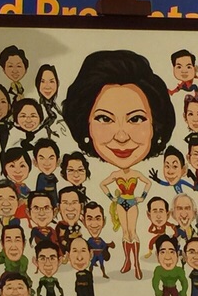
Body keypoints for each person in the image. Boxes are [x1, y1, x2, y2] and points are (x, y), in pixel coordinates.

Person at [61, 49, 175, 278]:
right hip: (121, 204)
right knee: (126, 234)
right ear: (86, 122)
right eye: (105, 118)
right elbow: (104, 184)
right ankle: (127, 262)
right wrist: (114, 199)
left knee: (132, 232)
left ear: (155, 124)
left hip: (131, 203)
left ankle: (136, 264)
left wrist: (141, 197)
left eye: (136, 119)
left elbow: (146, 183)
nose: (121, 136)